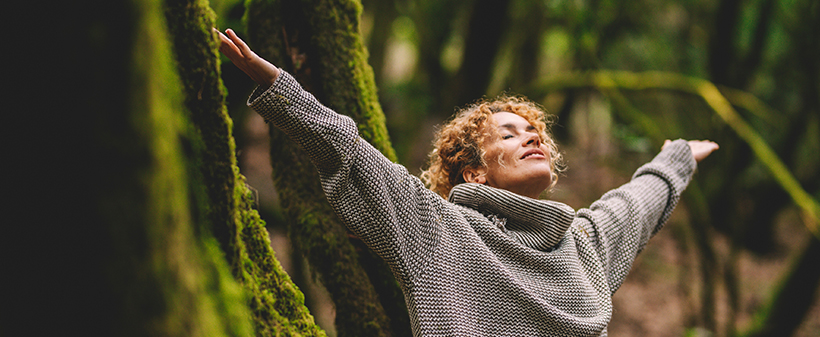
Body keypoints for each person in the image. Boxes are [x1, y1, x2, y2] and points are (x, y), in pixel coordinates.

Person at [215, 28, 719, 337]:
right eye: (510, 132)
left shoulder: (584, 244)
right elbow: (350, 152)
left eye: (535, 132)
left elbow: (635, 202)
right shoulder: (436, 231)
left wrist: (677, 159)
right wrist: (275, 86)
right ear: (475, 171)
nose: (532, 139)